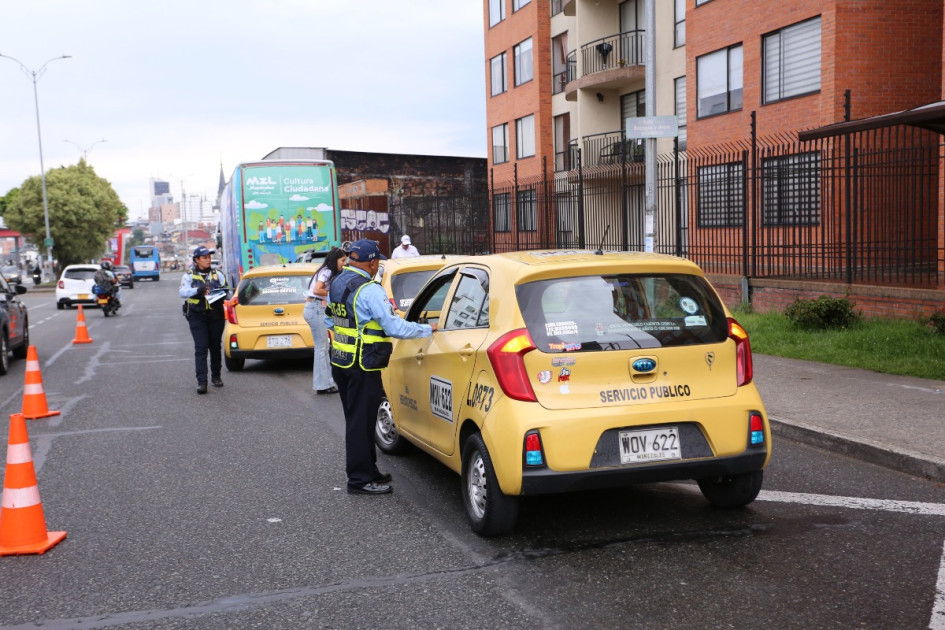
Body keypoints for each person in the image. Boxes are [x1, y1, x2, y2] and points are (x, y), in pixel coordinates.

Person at [326, 239, 434, 495]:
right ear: (372, 262)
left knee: (358, 420)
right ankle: (360, 480)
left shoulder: (338, 282)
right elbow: (394, 327)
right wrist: (428, 329)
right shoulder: (370, 290)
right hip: (363, 364)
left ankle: (369, 470)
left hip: (341, 361)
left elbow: (329, 320)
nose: (377, 267)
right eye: (377, 262)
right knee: (360, 423)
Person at [179, 246, 229, 394]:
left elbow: (226, 291)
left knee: (215, 346)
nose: (208, 260)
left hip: (216, 315)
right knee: (201, 348)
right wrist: (197, 291)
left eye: (209, 257)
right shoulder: (188, 276)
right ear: (197, 260)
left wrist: (225, 294)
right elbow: (182, 292)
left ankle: (216, 376)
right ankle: (202, 381)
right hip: (197, 316)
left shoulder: (218, 274)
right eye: (204, 257)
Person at [303, 246, 347, 395]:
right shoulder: (328, 271)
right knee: (321, 348)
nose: (344, 263)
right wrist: (333, 292)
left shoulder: (327, 271)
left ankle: (327, 382)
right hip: (315, 309)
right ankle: (322, 385)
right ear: (335, 260)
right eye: (342, 260)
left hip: (316, 308)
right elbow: (317, 290)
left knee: (323, 347)